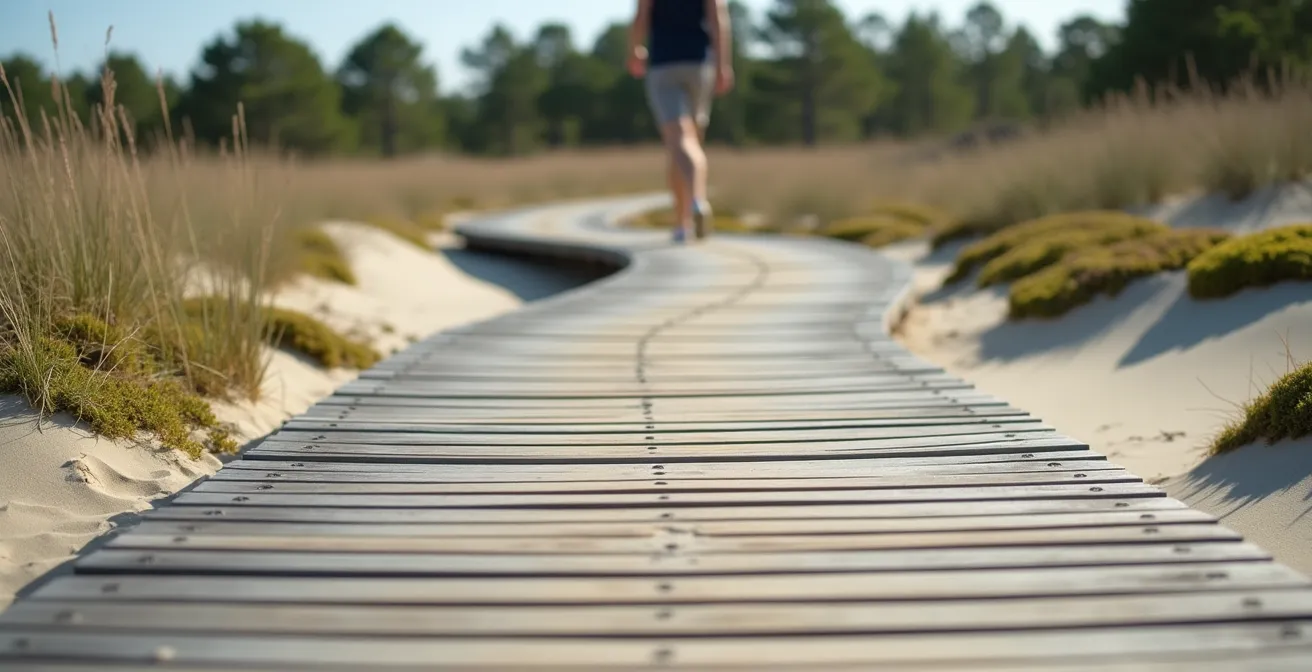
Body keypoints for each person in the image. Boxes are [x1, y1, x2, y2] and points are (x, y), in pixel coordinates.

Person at [627, 0, 734, 243]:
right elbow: (718, 19)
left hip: (664, 65)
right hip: (699, 64)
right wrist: (722, 65)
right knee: (690, 143)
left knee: (679, 142)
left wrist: (634, 49)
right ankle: (683, 219)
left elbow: (640, 17)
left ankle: (694, 205)